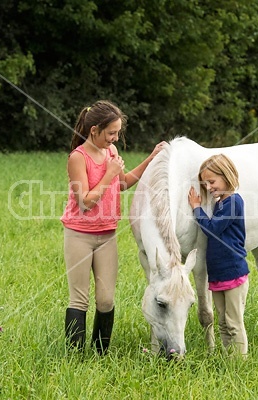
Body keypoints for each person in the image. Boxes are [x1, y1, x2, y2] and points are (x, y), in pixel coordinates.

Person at [61, 100, 166, 355]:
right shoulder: (78, 157)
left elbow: (122, 184)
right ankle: (75, 357)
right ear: (94, 130)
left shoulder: (110, 152)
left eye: (118, 133)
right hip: (79, 235)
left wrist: (151, 159)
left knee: (106, 299)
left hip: (107, 234)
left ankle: (100, 353)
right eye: (111, 133)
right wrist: (109, 173)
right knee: (80, 298)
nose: (115, 138)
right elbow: (85, 202)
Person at [187, 154, 250, 356]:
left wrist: (197, 208)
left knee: (233, 323)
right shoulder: (220, 202)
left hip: (232, 272)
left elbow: (213, 228)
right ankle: (228, 359)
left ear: (226, 175)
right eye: (205, 183)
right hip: (219, 274)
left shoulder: (233, 202)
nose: (209, 187)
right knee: (222, 322)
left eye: (212, 181)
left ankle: (239, 363)